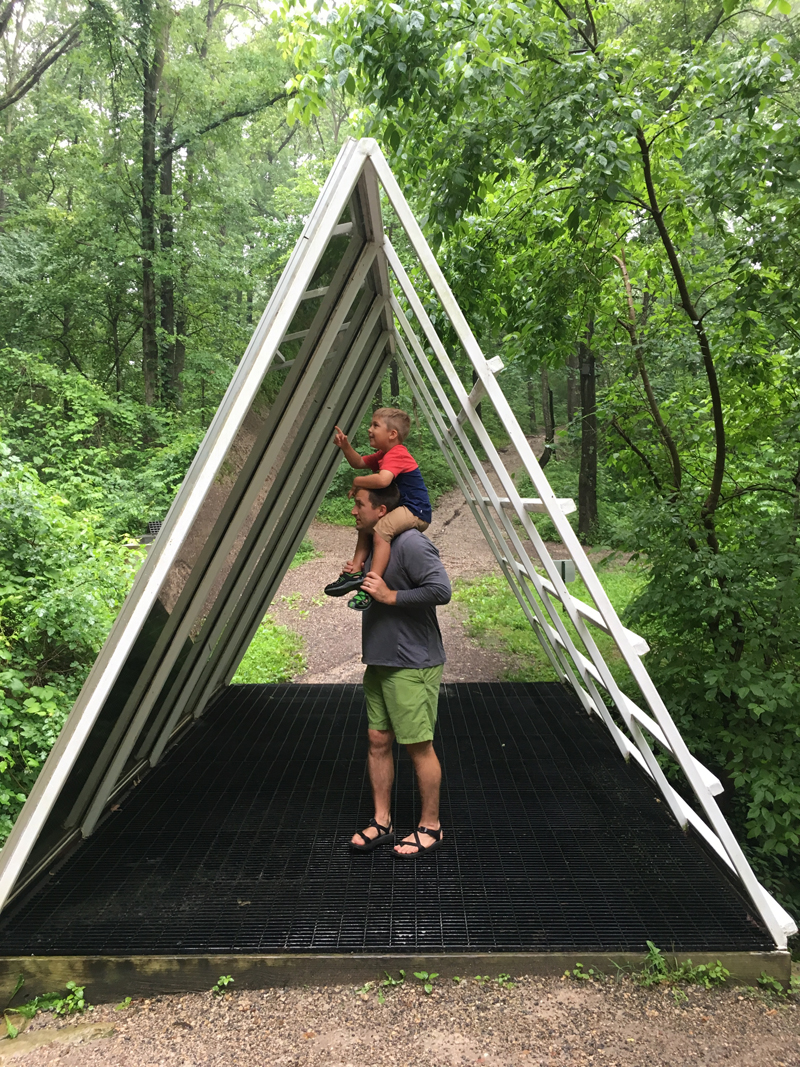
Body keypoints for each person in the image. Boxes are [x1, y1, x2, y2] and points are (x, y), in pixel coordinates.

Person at [345, 482, 451, 860]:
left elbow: (441, 589)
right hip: (380, 660)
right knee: (378, 740)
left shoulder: (411, 544)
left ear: (382, 510)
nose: (354, 511)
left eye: (360, 504)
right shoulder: (376, 543)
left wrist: (391, 596)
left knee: (417, 745)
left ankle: (431, 827)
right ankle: (382, 820)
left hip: (412, 663)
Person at [323, 408, 432, 612]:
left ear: (392, 434)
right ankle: (354, 572)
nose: (369, 428)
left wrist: (356, 481)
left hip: (415, 510)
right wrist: (345, 446)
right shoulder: (384, 455)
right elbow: (358, 462)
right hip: (402, 507)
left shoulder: (397, 453)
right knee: (367, 525)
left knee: (381, 531)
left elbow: (383, 480)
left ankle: (372, 586)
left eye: (375, 425)